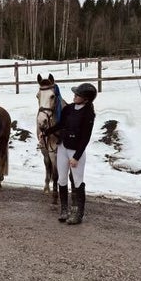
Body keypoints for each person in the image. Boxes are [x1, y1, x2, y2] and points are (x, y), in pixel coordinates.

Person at [40, 83, 97, 225]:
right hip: (63, 147)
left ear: (85, 99)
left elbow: (86, 137)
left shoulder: (88, 113)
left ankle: (78, 213)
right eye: (75, 94)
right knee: (62, 179)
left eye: (77, 95)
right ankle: (64, 209)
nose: (74, 96)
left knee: (77, 181)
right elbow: (61, 124)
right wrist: (46, 132)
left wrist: (76, 157)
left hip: (75, 150)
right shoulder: (69, 109)